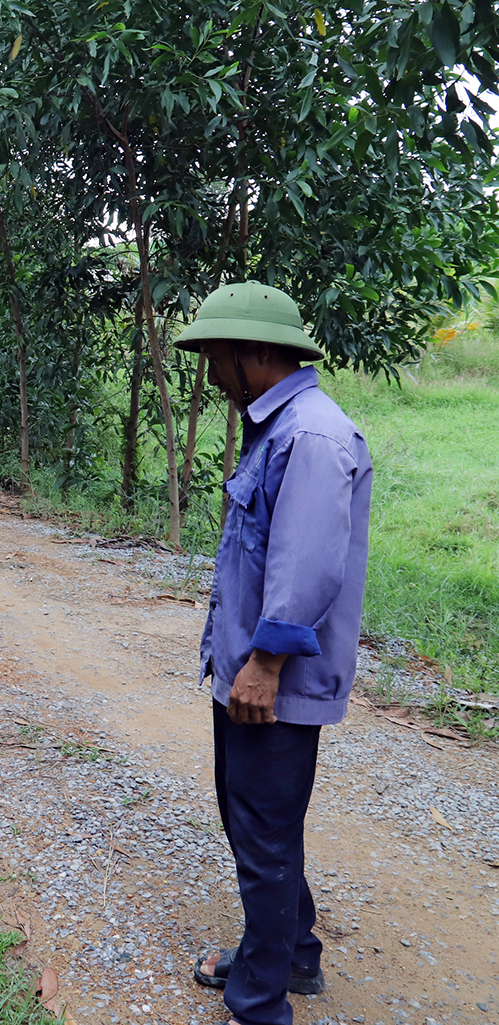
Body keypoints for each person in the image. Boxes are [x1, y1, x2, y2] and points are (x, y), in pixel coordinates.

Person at [173, 282, 374, 1025]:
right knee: (256, 820)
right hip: (251, 674)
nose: (213, 374)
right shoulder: (280, 426)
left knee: (261, 831)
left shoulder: (311, 436)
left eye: (216, 358)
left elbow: (311, 565)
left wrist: (265, 663)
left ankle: (260, 1002)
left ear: (255, 353)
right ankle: (291, 954)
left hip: (272, 681)